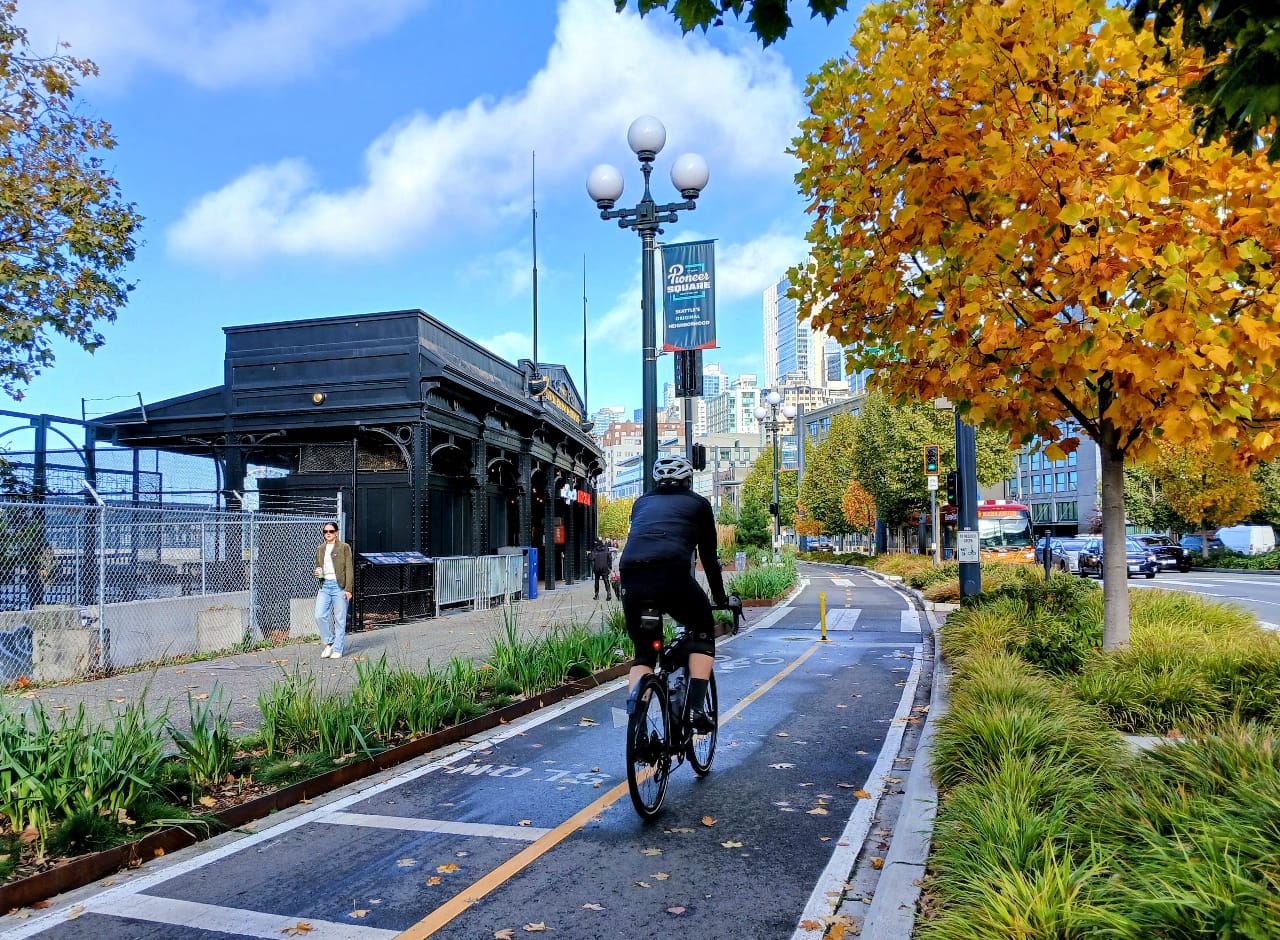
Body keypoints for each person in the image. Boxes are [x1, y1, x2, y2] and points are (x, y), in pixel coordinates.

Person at [619, 454, 738, 733]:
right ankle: (696, 710)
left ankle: (637, 723)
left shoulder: (641, 503)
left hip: (632, 575)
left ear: (656, 481)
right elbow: (708, 559)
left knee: (644, 654)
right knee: (702, 630)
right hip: (671, 575)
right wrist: (720, 600)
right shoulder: (698, 504)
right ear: (688, 480)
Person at [313, 522, 353, 659]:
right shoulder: (320, 548)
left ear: (336, 532)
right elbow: (318, 566)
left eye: (331, 531)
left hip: (339, 586)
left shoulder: (344, 547)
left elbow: (349, 568)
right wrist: (318, 573)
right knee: (319, 615)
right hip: (325, 586)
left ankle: (338, 648)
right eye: (325, 531)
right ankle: (329, 642)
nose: (328, 533)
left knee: (340, 619)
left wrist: (348, 589)